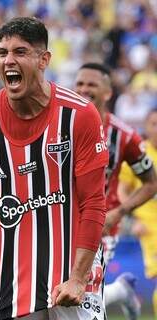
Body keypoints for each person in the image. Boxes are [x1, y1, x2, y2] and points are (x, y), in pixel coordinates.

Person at [0, 17, 109, 320]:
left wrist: (79, 278)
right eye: (3, 53)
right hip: (13, 279)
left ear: (44, 60)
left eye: (20, 52)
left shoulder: (79, 115)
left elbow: (93, 202)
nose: (8, 61)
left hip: (72, 276)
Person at [74, 62, 157, 320]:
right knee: (69, 293)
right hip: (64, 223)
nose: (84, 89)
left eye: (92, 85)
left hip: (102, 224)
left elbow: (151, 182)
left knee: (86, 291)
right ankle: (120, 291)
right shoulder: (60, 126)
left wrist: (118, 213)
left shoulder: (124, 136)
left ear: (108, 93)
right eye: (80, 84)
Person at [118, 108, 157, 319]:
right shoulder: (140, 156)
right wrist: (133, 218)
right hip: (151, 228)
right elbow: (122, 191)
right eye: (154, 124)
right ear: (146, 127)